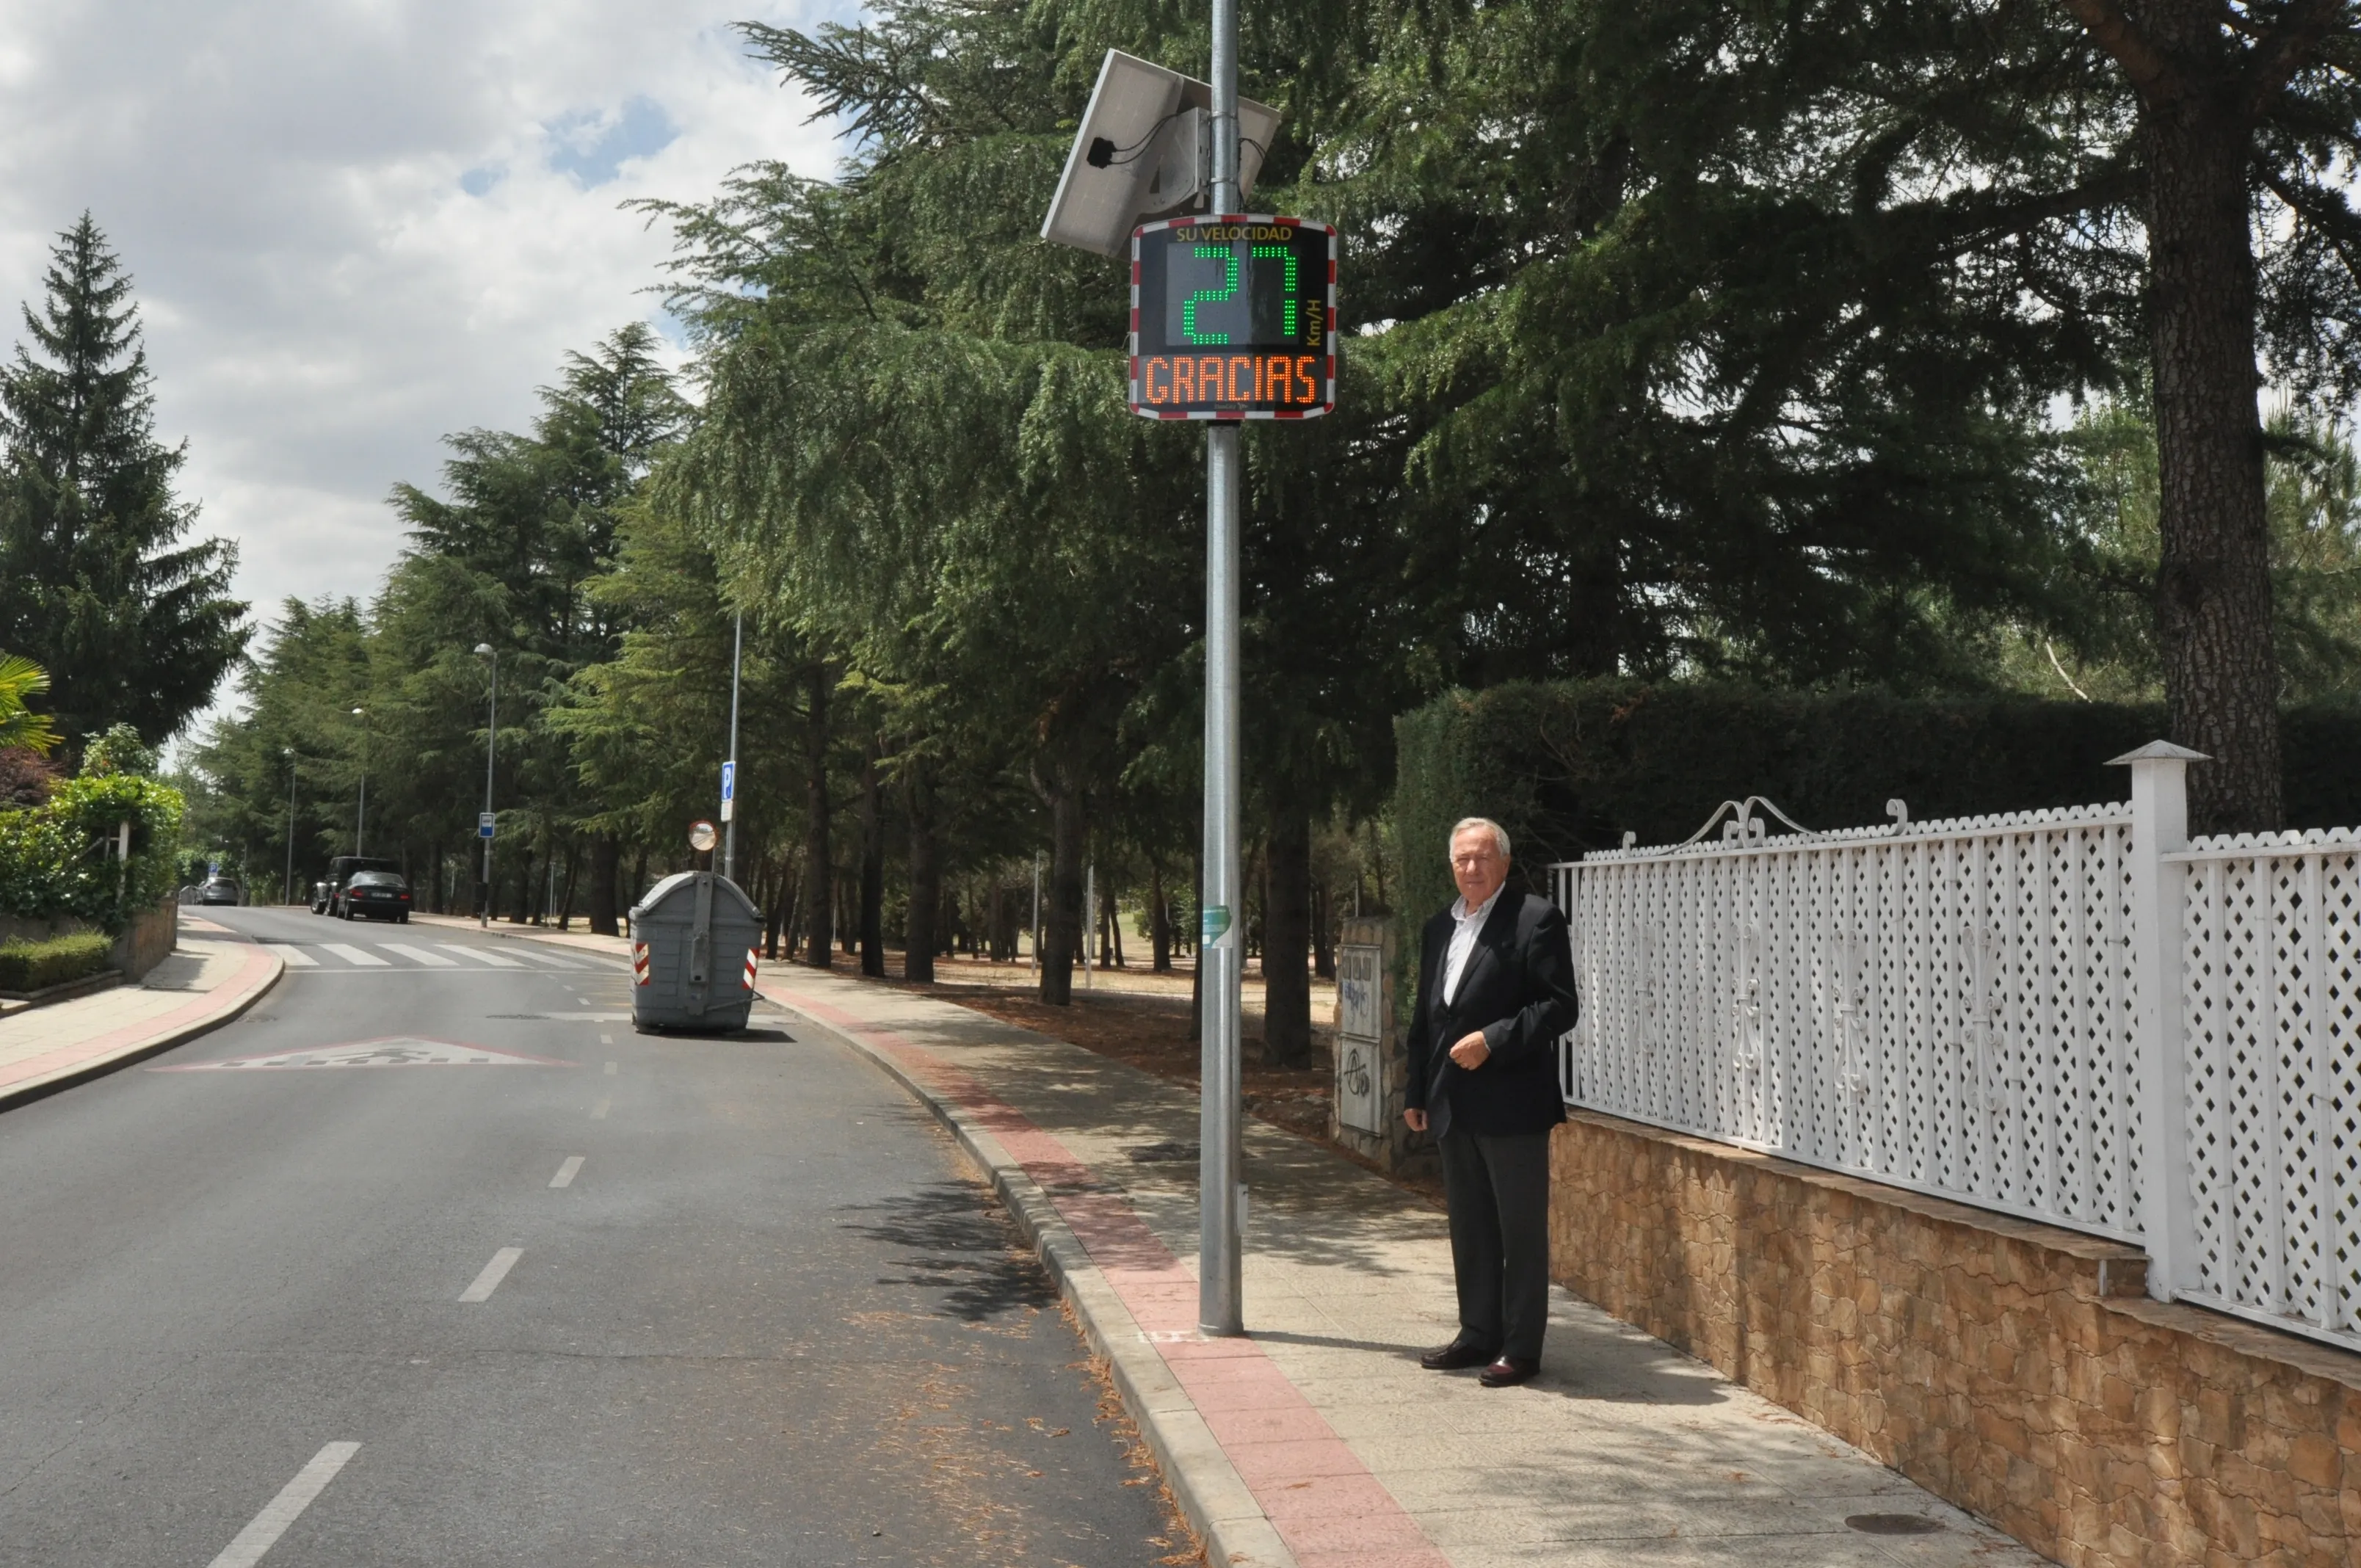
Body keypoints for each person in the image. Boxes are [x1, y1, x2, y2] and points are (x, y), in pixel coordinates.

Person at [1404, 816, 1579, 1388]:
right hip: (1453, 1103)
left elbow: (1559, 1007)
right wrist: (1415, 1091)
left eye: (1481, 858)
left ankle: (1521, 1347)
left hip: (1513, 1104)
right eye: (1461, 860)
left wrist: (1494, 1040)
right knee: (1471, 1227)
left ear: (1504, 862)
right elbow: (1427, 1016)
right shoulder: (1439, 927)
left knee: (1519, 1231)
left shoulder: (1535, 919)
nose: (1471, 869)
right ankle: (1477, 1333)